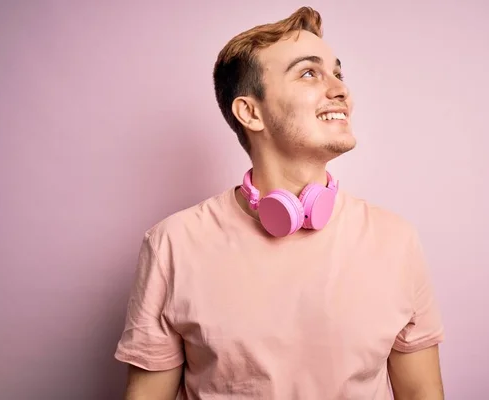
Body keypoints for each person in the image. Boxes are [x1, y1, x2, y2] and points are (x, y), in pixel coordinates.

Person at [114, 6, 445, 400]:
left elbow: (423, 393)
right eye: (309, 73)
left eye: (338, 73)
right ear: (250, 112)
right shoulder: (171, 244)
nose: (340, 89)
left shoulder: (396, 239)